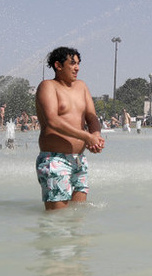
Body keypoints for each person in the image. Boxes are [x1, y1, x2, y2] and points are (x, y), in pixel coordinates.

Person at [34, 47, 105, 211]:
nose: (77, 68)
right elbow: (53, 121)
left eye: (78, 64)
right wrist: (87, 137)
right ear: (58, 65)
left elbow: (92, 116)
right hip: (55, 160)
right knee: (57, 221)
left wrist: (95, 136)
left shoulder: (81, 86)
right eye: (72, 63)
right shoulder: (48, 86)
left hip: (79, 160)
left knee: (76, 217)